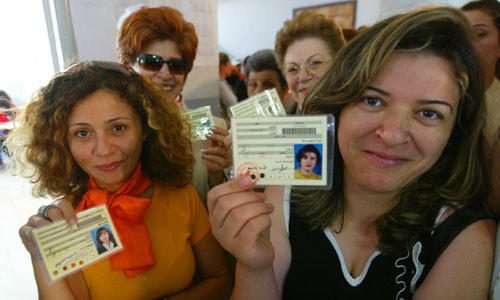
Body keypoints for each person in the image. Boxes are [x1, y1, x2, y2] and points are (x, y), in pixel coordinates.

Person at [207, 7, 495, 300]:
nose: (393, 134)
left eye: (429, 113)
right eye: (373, 100)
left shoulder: (464, 238)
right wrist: (255, 267)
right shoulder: (286, 194)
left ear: (453, 133)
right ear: (339, 106)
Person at [12, 61, 231, 300]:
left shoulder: (183, 197)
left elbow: (220, 282)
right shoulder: (64, 221)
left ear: (146, 128)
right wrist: (41, 255)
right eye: (82, 133)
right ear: (62, 142)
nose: (104, 150)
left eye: (118, 128)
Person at [117, 6, 231, 205]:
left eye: (176, 65)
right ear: (129, 65)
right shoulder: (111, 132)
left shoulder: (214, 130)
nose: (165, 74)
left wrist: (217, 175)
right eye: (152, 62)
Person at [274, 10, 346, 114]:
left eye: (315, 63)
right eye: (293, 69)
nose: (303, 77)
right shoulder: (275, 125)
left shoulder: (357, 121)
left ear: (339, 65)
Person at [219, 52, 238, 118]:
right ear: (222, 66)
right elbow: (233, 103)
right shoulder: (220, 84)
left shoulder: (222, 82)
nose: (231, 68)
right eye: (229, 65)